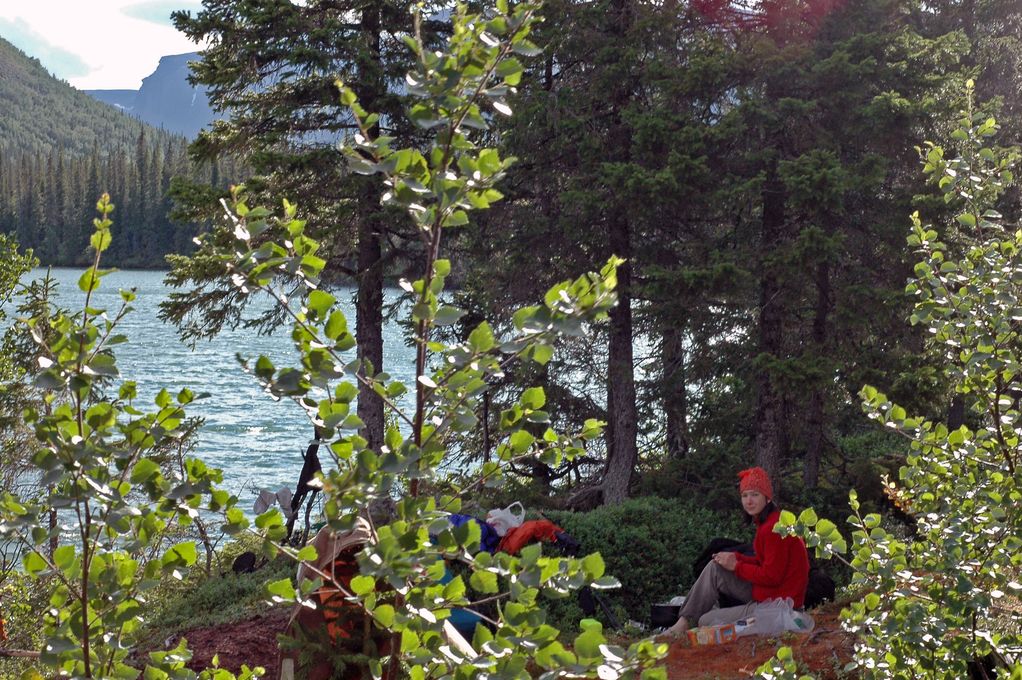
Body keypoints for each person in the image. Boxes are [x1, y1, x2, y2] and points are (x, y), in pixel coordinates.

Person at [665, 466, 809, 637]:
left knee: (705, 621)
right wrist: (737, 557)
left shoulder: (773, 528)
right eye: (744, 495)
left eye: (755, 495)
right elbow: (766, 563)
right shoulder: (771, 521)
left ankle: (692, 619)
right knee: (715, 568)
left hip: (779, 606)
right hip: (770, 594)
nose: (749, 501)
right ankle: (684, 622)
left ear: (767, 497)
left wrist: (737, 566)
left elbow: (772, 576)